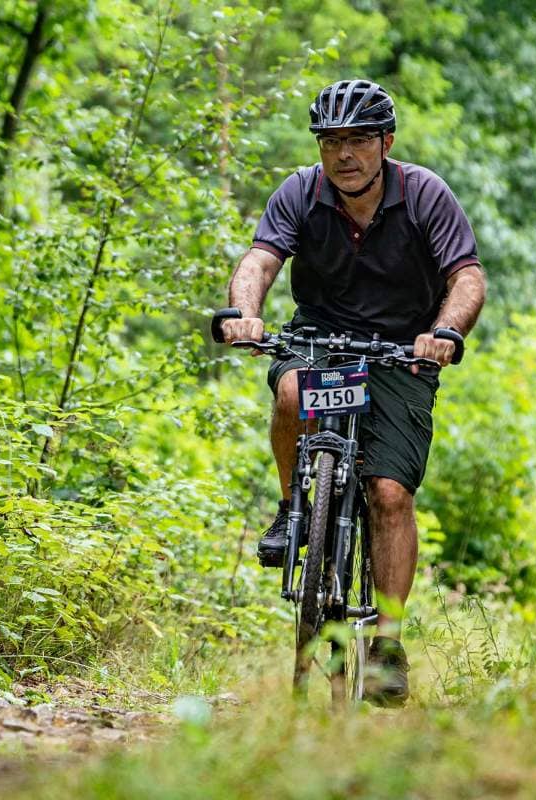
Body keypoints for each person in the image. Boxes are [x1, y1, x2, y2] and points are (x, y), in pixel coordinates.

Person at [217, 79, 486, 705]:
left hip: (400, 351)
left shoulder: (424, 195)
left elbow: (466, 276)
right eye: (331, 141)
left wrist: (444, 331)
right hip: (319, 340)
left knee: (389, 494)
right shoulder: (299, 194)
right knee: (289, 397)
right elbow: (259, 261)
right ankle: (292, 510)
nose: (344, 154)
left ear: (385, 143)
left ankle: (387, 645)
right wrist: (244, 313)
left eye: (358, 141)